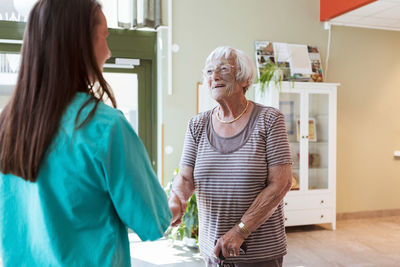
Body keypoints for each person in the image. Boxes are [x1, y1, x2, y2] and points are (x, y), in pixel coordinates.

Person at [0, 1, 174, 266]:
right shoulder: (105, 126)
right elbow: (153, 221)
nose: (108, 51)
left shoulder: (7, 125)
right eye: (104, 36)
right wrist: (175, 205)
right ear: (79, 44)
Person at [169, 46, 293, 267]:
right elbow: (186, 179)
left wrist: (240, 231)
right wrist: (176, 202)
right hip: (213, 252)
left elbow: (281, 184)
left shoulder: (269, 120)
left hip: (259, 254)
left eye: (223, 69)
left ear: (244, 79)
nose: (214, 76)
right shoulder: (197, 125)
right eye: (208, 71)